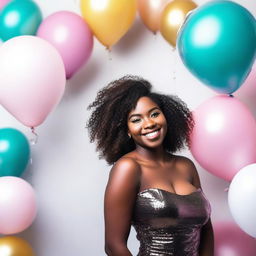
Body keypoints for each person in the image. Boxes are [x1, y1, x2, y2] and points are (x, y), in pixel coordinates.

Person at [87, 75, 214, 256]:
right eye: (136, 119)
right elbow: (114, 245)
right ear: (127, 130)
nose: (149, 123)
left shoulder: (186, 166)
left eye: (154, 114)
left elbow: (206, 230)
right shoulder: (128, 168)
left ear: (166, 116)